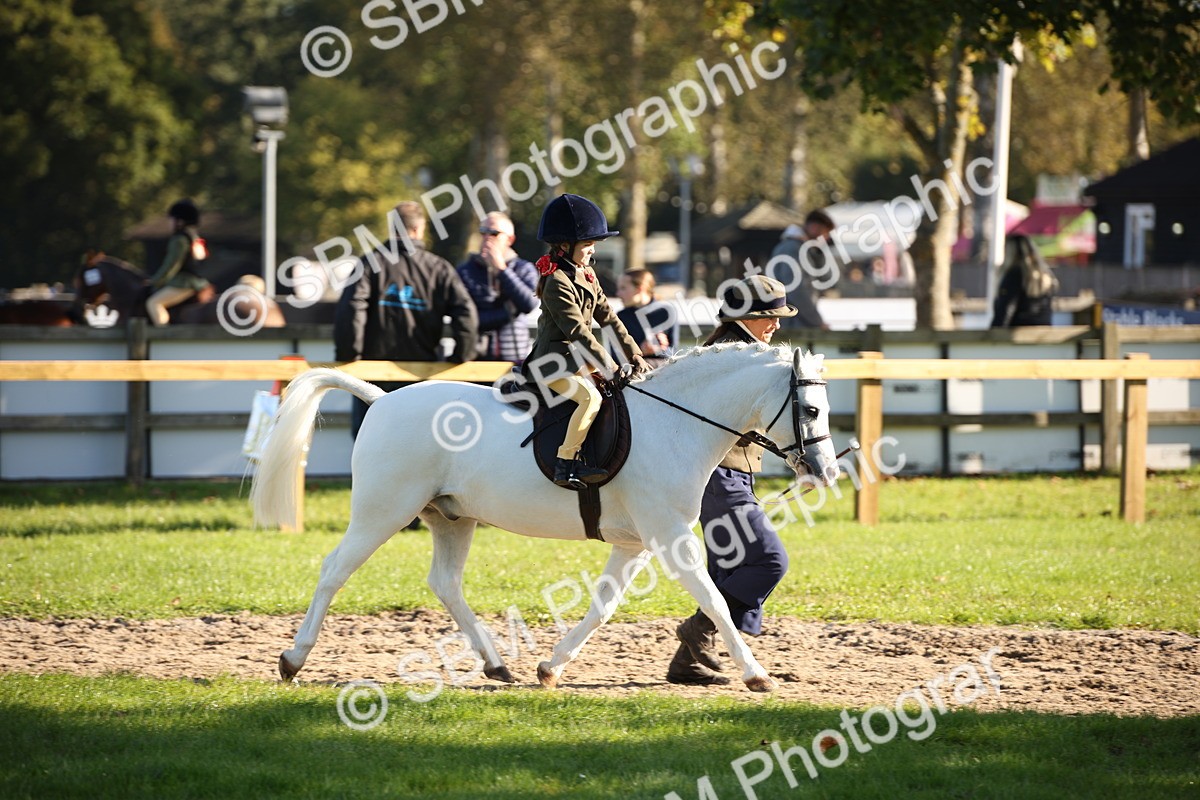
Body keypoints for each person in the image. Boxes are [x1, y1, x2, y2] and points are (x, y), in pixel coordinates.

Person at [668, 274, 797, 686]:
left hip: (732, 475)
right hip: (717, 477)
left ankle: (686, 663)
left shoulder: (738, 354)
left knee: (728, 571)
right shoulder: (731, 360)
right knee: (769, 560)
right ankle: (699, 631)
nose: (776, 325)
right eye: (769, 317)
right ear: (747, 317)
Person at [525, 193, 649, 490]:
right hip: (551, 365)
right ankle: (565, 463)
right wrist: (609, 365)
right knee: (590, 398)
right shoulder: (556, 282)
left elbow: (610, 318)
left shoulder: (588, 274)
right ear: (565, 246)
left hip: (577, 362)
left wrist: (634, 355)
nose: (593, 251)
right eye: (588, 245)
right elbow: (578, 331)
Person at [334, 201, 478, 439]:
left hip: (371, 374)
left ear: (394, 229)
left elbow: (351, 310)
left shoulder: (370, 264)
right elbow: (466, 315)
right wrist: (459, 359)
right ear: (418, 229)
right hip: (421, 375)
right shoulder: (438, 268)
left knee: (369, 440)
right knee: (416, 442)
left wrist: (349, 356)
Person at [456, 212, 539, 361]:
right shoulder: (466, 271)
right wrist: (508, 313)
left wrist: (501, 269)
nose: (487, 238)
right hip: (475, 362)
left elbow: (529, 304)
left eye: (494, 233)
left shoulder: (524, 268)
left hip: (514, 361)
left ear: (510, 239)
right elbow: (466, 317)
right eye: (483, 232)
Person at [146, 199, 211, 325]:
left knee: (153, 302)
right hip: (200, 282)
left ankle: (163, 335)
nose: (169, 223)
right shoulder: (195, 238)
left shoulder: (179, 240)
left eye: (171, 219)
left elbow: (171, 265)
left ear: (180, 221)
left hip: (184, 283)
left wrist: (155, 281)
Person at [990, 234, 1059, 328]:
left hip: (1017, 334)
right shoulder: (1045, 277)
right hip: (1043, 334)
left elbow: (1004, 311)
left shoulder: (1014, 275)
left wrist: (993, 334)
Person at [615, 269, 673, 362]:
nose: (618, 294)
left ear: (639, 289)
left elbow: (675, 353)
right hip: (633, 371)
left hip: (662, 371)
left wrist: (661, 349)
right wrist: (640, 351)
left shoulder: (666, 312)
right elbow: (614, 355)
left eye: (623, 288)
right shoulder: (621, 316)